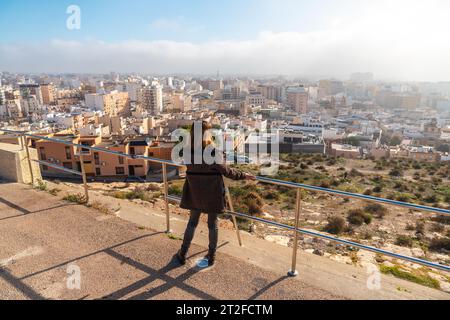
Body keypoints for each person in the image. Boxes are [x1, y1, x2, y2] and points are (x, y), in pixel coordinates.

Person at [176, 121, 256, 266]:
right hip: (212, 193)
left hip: (194, 192)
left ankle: (183, 253)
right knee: (212, 225)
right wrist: (244, 175)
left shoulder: (187, 151)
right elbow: (227, 172)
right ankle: (211, 256)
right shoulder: (213, 152)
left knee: (192, 222)